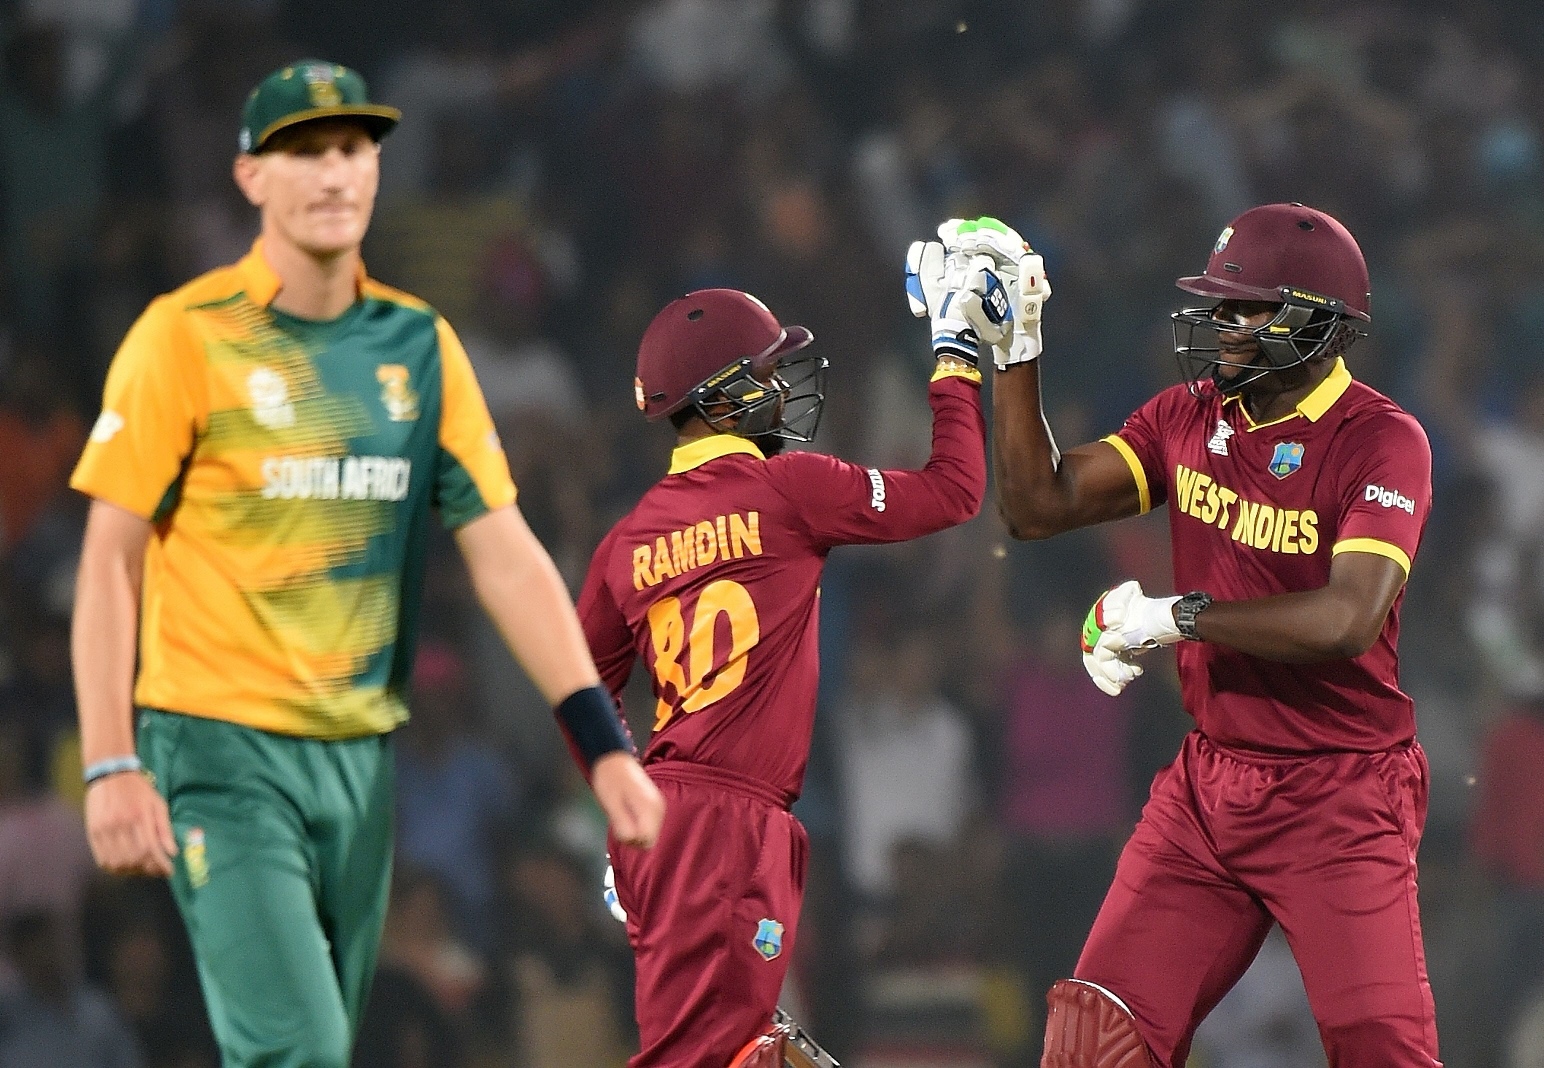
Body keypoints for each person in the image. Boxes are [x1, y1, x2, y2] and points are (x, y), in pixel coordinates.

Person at [68, 59, 664, 1068]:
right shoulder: (184, 338)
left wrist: (602, 744)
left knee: (320, 1051)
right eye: (302, 151)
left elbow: (507, 559)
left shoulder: (419, 348)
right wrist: (110, 760)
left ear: (377, 169)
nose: (332, 171)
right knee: (295, 1048)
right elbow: (108, 564)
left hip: (357, 759)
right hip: (218, 753)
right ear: (251, 177)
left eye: (350, 147)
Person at [953, 205, 1438, 1067]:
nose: (1221, 325)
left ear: (1318, 320)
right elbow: (1035, 506)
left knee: (1382, 1055)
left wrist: (1174, 617)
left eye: (1243, 307)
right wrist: (1017, 353)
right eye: (1218, 304)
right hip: (1208, 787)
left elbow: (1347, 619)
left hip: (1343, 794)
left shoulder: (1382, 439)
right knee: (1091, 1038)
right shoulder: (1189, 415)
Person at [577, 271, 989, 1067]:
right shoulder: (788, 488)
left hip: (665, 815)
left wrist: (627, 803)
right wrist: (954, 354)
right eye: (766, 374)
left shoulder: (624, 542)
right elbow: (955, 491)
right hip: (730, 820)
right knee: (705, 1055)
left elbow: (580, 690)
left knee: (732, 1045)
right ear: (724, 396)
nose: (781, 387)